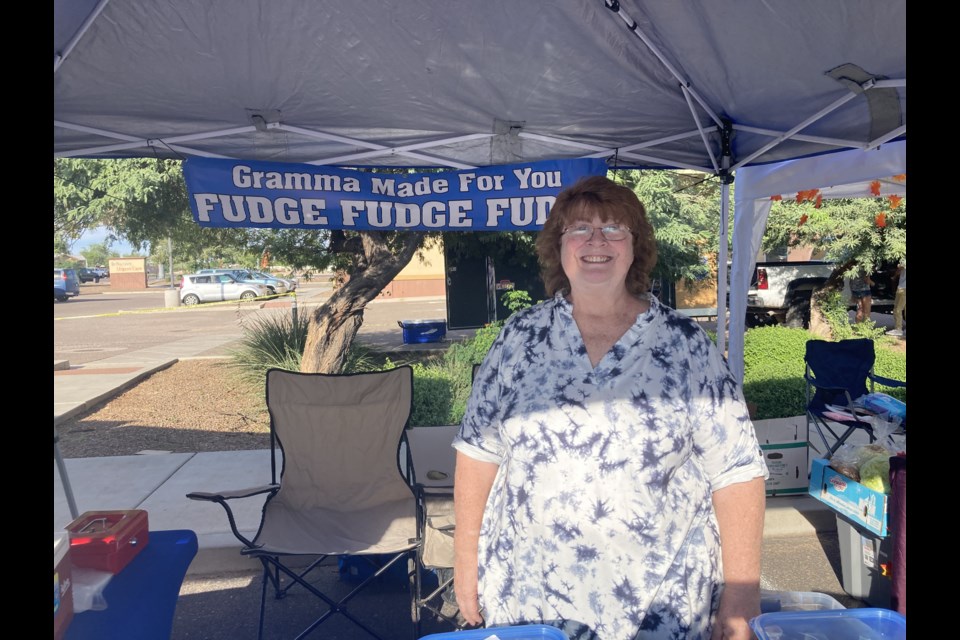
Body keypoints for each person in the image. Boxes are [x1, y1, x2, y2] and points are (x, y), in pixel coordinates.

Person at [452, 176, 768, 640]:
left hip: (662, 607)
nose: (596, 241)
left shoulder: (685, 345)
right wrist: (465, 562)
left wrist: (743, 593)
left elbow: (737, 470)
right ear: (558, 248)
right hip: (531, 600)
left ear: (635, 246)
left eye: (614, 228)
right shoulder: (519, 339)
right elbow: (478, 453)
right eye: (579, 228)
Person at [887, 262, 906, 336]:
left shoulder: (903, 259)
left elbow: (899, 269)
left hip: (903, 288)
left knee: (897, 309)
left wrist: (894, 277)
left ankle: (898, 329)